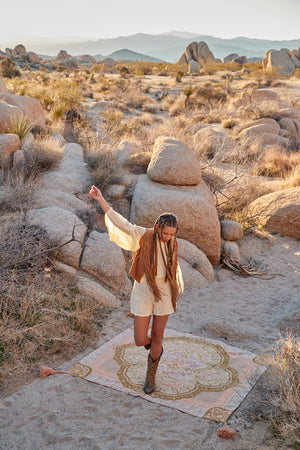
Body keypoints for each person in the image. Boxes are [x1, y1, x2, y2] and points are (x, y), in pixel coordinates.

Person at [89, 185, 184, 395]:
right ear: (157, 226)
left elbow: (174, 269)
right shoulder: (143, 235)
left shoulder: (172, 243)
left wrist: (175, 289)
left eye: (171, 234)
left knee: (158, 336)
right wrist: (102, 201)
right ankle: (155, 352)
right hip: (143, 289)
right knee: (140, 339)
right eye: (165, 232)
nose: (168, 237)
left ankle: (151, 377)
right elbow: (121, 223)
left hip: (165, 291)